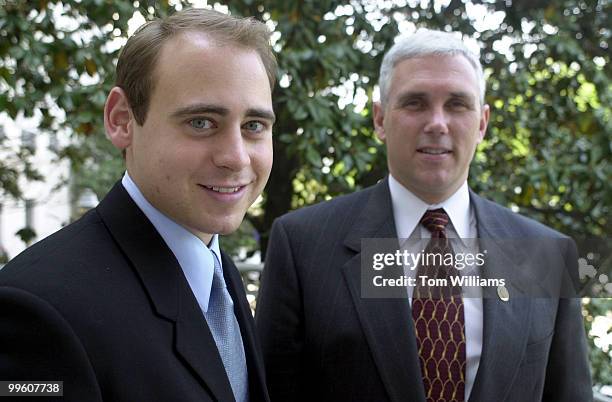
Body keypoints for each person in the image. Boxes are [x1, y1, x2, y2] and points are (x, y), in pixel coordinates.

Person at [255, 29, 591, 402]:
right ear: (380, 120)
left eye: (457, 104)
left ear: (482, 123)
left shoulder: (543, 253)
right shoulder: (302, 245)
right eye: (415, 103)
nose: (437, 123)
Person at [0, 8, 276, 402]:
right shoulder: (38, 310)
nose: (236, 157)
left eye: (253, 126)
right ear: (122, 120)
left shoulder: (218, 274)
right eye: (201, 122)